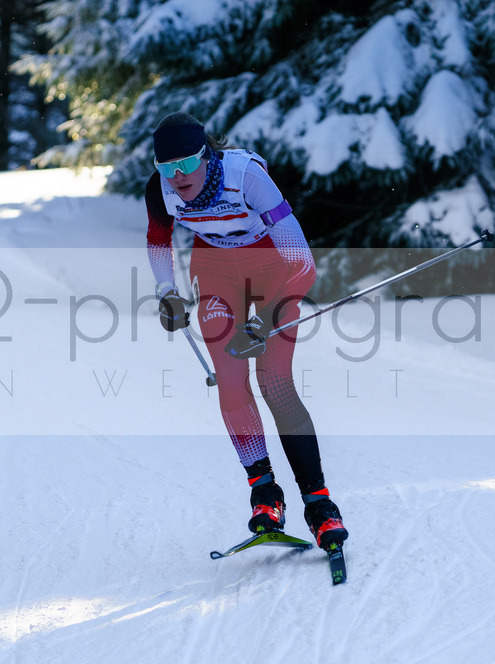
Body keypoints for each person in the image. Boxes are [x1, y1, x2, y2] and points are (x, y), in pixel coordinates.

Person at [144, 111, 348, 551]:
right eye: (166, 166)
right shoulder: (160, 189)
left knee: (274, 382)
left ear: (207, 155)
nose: (178, 176)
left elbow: (303, 265)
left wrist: (264, 320)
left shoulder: (247, 177)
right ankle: (265, 495)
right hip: (216, 271)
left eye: (187, 163)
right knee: (231, 379)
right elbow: (158, 240)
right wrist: (167, 292)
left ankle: (319, 505)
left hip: (274, 270)